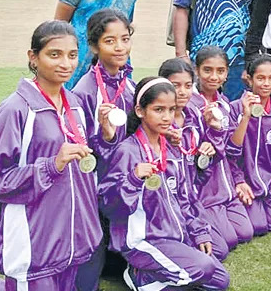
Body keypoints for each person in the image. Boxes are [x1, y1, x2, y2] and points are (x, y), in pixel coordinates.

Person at [0, 21, 106, 289]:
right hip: (34, 246)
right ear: (33, 58)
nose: (66, 64)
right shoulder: (15, 110)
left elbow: (87, 162)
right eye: (54, 54)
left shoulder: (75, 103)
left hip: (77, 242)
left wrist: (106, 134)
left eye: (72, 55)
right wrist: (50, 166)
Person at [99, 77, 230, 290]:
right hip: (142, 240)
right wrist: (133, 178)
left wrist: (198, 231)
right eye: (159, 110)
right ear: (140, 111)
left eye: (171, 110)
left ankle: (157, 277)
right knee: (202, 268)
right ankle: (139, 277)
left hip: (174, 236)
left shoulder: (172, 148)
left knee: (220, 281)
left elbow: (185, 197)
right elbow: (109, 206)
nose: (167, 117)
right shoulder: (127, 151)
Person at [72, 8, 136, 290]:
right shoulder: (85, 91)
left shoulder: (129, 84)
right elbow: (82, 147)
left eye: (125, 38)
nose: (120, 47)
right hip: (96, 183)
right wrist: (107, 139)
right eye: (110, 41)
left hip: (127, 178)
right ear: (95, 46)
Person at [158, 57, 231, 261]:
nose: (182, 91)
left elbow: (200, 174)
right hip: (165, 203)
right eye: (175, 86)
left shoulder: (194, 116)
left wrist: (209, 146)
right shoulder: (157, 123)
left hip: (190, 199)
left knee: (221, 250)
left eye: (188, 85)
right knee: (206, 255)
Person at [188, 46, 254, 249]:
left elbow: (232, 152)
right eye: (207, 70)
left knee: (246, 233)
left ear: (227, 73)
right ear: (197, 71)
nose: (214, 76)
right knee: (229, 240)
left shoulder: (224, 103)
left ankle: (221, 212)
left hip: (226, 185)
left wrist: (239, 180)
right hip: (204, 188)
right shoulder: (189, 104)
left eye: (220, 71)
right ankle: (198, 218)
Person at [226, 55, 271, 235]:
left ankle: (265, 204)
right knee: (258, 227)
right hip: (244, 181)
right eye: (260, 78)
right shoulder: (234, 109)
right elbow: (231, 152)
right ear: (249, 78)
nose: (266, 84)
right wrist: (246, 116)